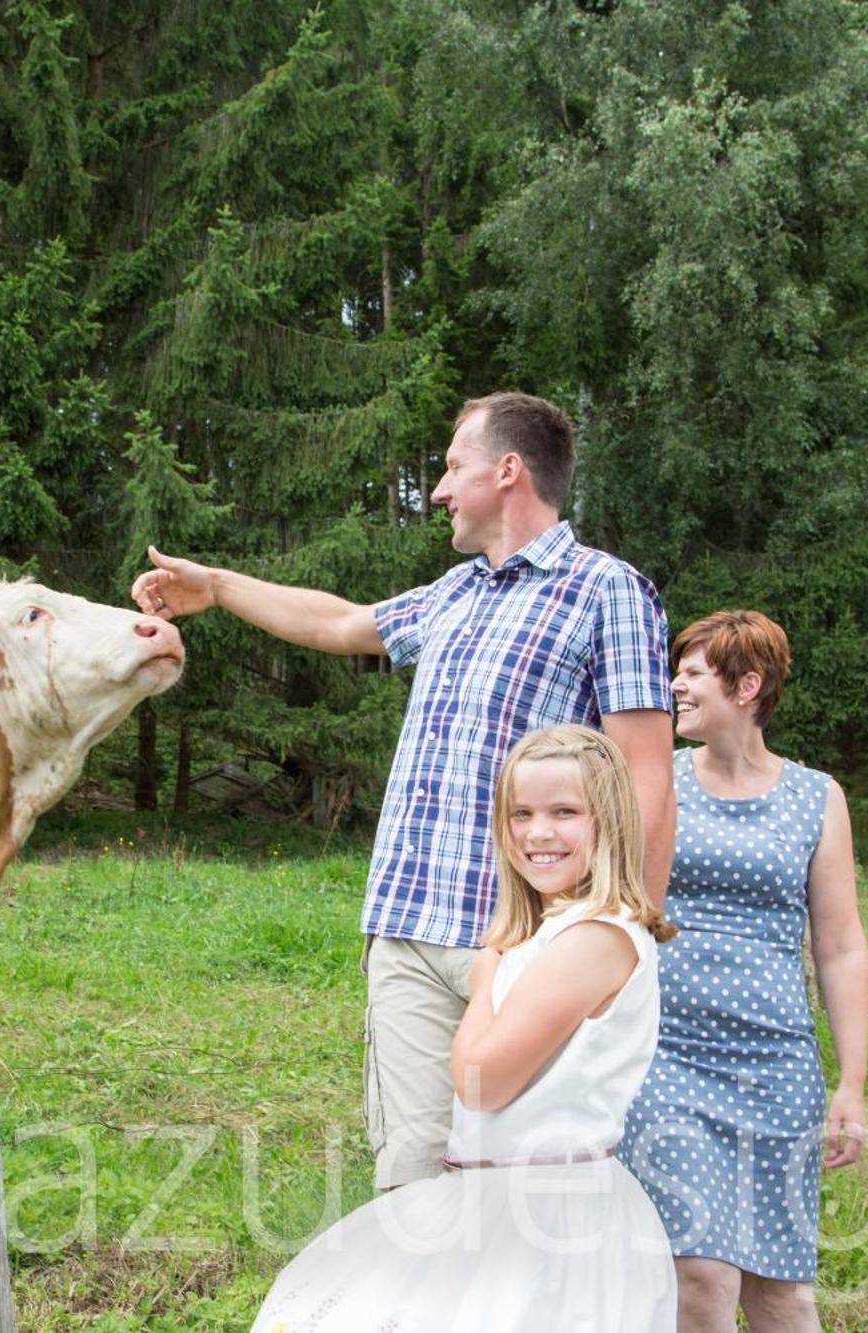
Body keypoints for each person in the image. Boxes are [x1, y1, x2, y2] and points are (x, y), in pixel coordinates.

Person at [132, 392, 675, 1189]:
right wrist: (216, 585)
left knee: (522, 1183)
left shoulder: (607, 591)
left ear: (508, 470)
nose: (439, 489)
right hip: (410, 931)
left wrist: (626, 931)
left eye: (455, 467)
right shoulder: (454, 593)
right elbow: (339, 623)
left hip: (529, 939)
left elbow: (644, 773)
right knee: (415, 1183)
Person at [254, 725, 679, 1331]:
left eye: (566, 812)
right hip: (501, 1201)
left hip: (545, 1222)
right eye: (521, 814)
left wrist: (484, 987)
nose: (538, 832)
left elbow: (482, 1084)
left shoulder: (594, 938)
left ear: (609, 821)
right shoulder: (559, 932)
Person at [618, 611, 868, 1333]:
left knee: (781, 1291)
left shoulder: (816, 796)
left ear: (748, 684)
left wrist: (850, 1082)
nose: (675, 685)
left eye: (693, 673)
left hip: (776, 1066)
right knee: (699, 1272)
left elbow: (841, 945)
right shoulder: (655, 779)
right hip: (666, 1056)